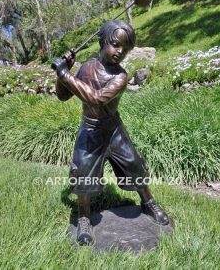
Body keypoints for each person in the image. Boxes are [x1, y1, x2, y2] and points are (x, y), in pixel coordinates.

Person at [54, 20, 169, 246]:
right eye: (115, 45)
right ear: (103, 41)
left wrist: (66, 76)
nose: (119, 52)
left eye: (125, 50)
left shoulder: (121, 77)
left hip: (113, 129)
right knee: (83, 173)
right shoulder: (86, 67)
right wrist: (63, 74)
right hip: (90, 129)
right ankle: (84, 217)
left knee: (134, 164)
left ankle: (148, 202)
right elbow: (63, 95)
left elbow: (95, 98)